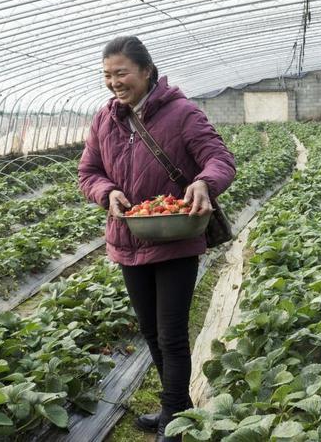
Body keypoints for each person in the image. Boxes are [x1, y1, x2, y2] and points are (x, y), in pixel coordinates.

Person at [79, 36, 236, 442]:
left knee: (171, 332)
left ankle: (172, 414)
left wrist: (204, 183)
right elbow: (89, 172)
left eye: (121, 73)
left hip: (175, 237)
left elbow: (219, 158)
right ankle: (177, 407)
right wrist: (106, 192)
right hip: (129, 238)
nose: (114, 82)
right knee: (149, 330)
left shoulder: (182, 113)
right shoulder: (104, 119)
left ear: (147, 71)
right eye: (107, 75)